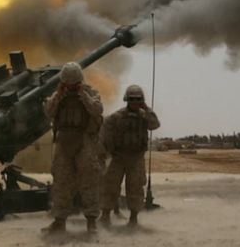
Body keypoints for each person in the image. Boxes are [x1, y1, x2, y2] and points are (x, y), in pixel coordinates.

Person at [42, 62, 103, 234]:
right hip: (63, 142)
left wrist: (83, 94)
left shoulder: (90, 93)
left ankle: (91, 221)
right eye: (67, 83)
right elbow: (48, 111)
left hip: (84, 141)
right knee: (61, 181)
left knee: (89, 180)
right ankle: (59, 221)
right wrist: (59, 95)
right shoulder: (59, 95)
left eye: (73, 83)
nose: (70, 86)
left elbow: (97, 110)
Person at [99, 84, 160, 227]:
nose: (134, 102)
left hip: (136, 158)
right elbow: (105, 131)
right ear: (127, 99)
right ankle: (105, 215)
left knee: (135, 188)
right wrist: (108, 150)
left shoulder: (145, 116)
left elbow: (155, 125)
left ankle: (133, 219)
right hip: (118, 157)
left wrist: (146, 108)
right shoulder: (117, 117)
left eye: (138, 99)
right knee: (110, 186)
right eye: (132, 99)